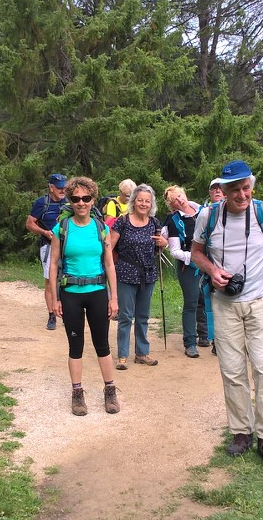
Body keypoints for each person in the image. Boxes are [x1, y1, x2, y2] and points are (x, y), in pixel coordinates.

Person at [191, 161, 263, 464]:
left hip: (260, 300)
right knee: (232, 371)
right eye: (235, 189)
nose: (241, 195)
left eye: (246, 188)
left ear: (251, 187)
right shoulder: (208, 216)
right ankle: (241, 433)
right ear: (223, 189)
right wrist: (212, 270)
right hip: (224, 303)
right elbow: (196, 253)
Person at [46, 176, 121, 416]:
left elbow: (109, 264)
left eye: (86, 198)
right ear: (70, 200)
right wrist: (55, 298)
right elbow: (54, 264)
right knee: (75, 345)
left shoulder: (102, 228)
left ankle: (110, 391)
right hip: (71, 294)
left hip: (98, 292)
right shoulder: (62, 228)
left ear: (93, 200)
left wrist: (114, 298)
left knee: (102, 344)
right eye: (76, 199)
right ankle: (77, 394)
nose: (81, 203)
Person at [110, 183, 165, 369]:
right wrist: (106, 271)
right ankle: (122, 355)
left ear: (152, 204)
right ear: (133, 201)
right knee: (126, 315)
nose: (143, 204)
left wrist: (163, 243)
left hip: (147, 274)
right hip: (125, 272)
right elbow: (109, 247)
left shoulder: (155, 223)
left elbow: (159, 247)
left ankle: (142, 353)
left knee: (143, 315)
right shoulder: (123, 221)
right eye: (140, 200)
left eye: (147, 201)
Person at [161, 185, 204, 358]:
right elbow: (174, 251)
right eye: (175, 200)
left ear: (185, 193)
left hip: (211, 262)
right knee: (192, 302)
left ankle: (206, 336)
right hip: (189, 266)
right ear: (172, 205)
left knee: (208, 299)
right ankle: (190, 343)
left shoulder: (204, 211)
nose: (180, 200)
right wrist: (193, 257)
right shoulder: (173, 221)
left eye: (180, 195)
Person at [26, 173, 68, 330]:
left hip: (67, 247)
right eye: (59, 187)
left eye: (64, 187)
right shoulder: (41, 203)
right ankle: (51, 315)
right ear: (51, 188)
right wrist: (44, 232)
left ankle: (66, 312)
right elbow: (29, 224)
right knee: (50, 281)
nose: (62, 190)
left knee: (67, 280)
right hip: (49, 246)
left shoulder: (69, 202)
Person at [199, 178, 225, 353]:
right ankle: (210, 338)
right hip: (208, 266)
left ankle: (222, 342)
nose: (217, 191)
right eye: (213, 189)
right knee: (208, 304)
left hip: (231, 267)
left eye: (220, 188)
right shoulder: (204, 213)